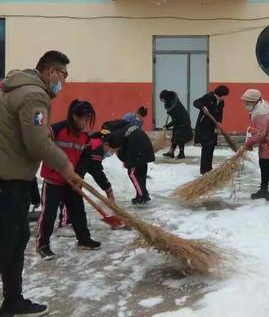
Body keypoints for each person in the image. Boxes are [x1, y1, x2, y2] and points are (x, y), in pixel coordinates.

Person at [0, 51, 78, 316]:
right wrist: (66, 166)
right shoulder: (34, 95)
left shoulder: (13, 87)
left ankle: (12, 299)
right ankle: (12, 301)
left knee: (10, 240)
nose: (63, 82)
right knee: (11, 241)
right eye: (63, 76)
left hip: (10, 176)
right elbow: (37, 143)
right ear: (51, 72)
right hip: (8, 183)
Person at [36, 100, 101, 260]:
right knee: (49, 213)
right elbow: (41, 145)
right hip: (53, 180)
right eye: (85, 118)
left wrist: (78, 175)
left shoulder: (85, 138)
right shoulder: (56, 130)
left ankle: (84, 239)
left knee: (78, 211)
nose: (86, 122)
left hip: (71, 180)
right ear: (74, 116)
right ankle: (42, 245)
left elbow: (86, 159)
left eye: (88, 119)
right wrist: (56, 166)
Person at [240, 89, 269, 201]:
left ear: (254, 101)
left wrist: (248, 143)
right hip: (268, 140)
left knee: (265, 164)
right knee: (263, 164)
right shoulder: (258, 109)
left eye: (248, 102)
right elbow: (261, 131)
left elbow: (261, 133)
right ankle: (263, 190)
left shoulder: (260, 113)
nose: (246, 104)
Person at [101, 120, 155, 204]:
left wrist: (126, 160)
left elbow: (120, 148)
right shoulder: (124, 127)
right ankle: (142, 194)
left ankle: (142, 196)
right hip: (143, 139)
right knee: (141, 170)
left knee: (132, 173)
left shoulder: (115, 135)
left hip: (135, 142)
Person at [193, 85, 230, 174]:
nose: (225, 97)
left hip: (213, 126)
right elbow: (195, 102)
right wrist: (202, 107)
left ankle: (209, 167)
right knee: (206, 146)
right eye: (225, 96)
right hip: (203, 126)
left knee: (212, 146)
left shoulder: (221, 101)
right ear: (220, 95)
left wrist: (219, 124)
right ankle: (203, 170)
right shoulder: (208, 97)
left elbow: (220, 114)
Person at [160, 90, 193, 160]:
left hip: (183, 121)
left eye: (162, 99)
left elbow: (176, 119)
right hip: (179, 120)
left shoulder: (175, 106)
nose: (161, 101)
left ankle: (182, 153)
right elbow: (175, 118)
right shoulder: (171, 102)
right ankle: (171, 152)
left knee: (180, 136)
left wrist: (168, 125)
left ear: (165, 98)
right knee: (175, 135)